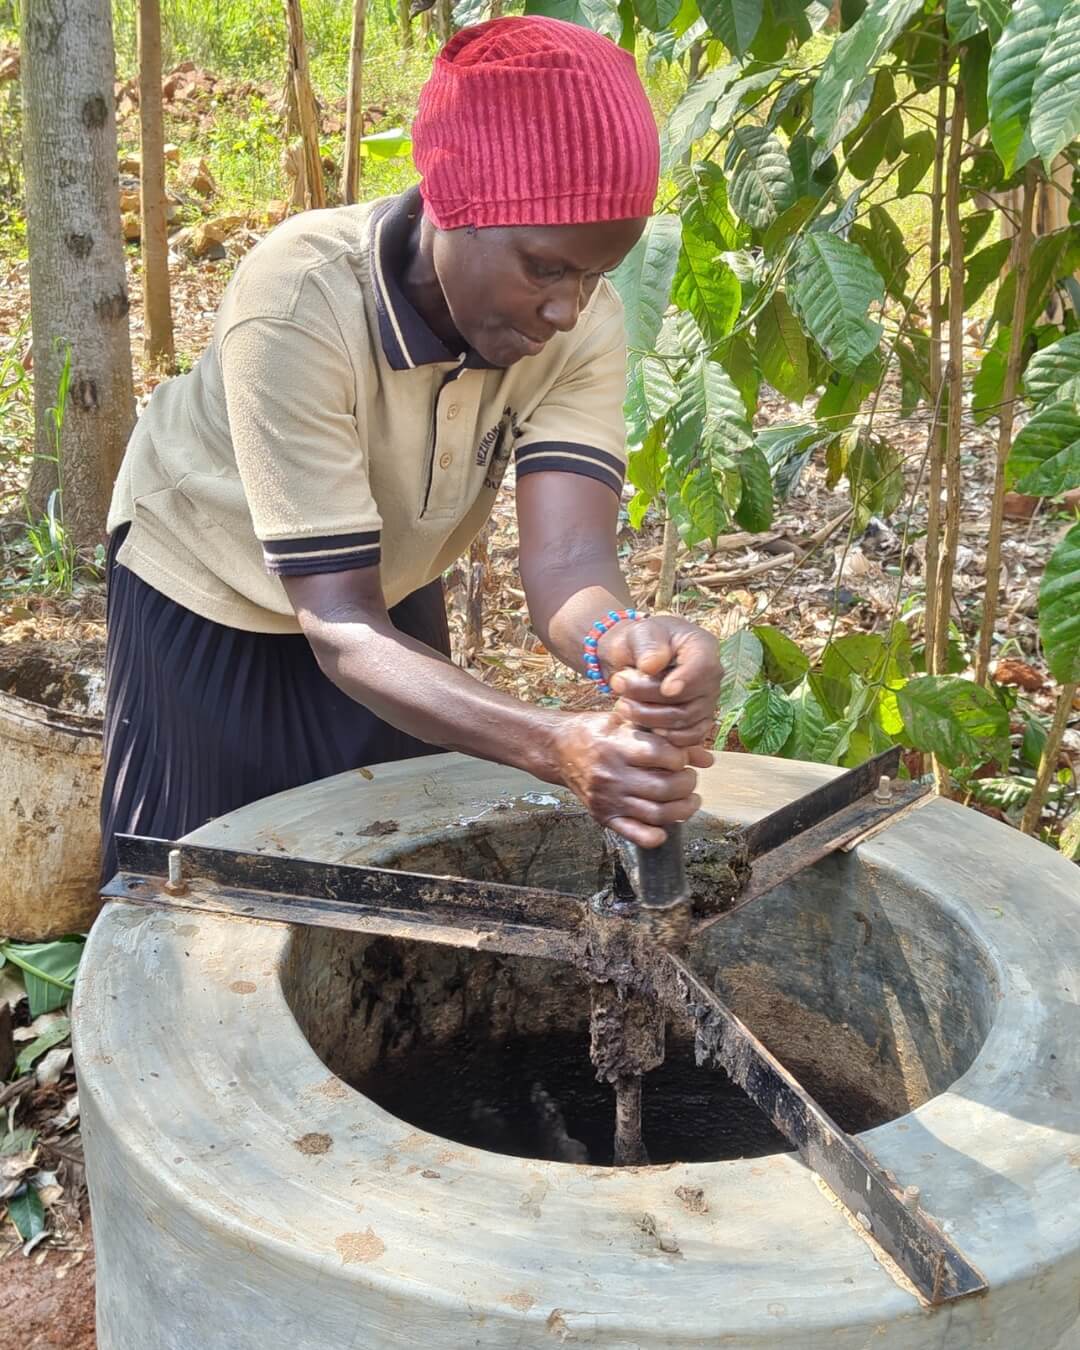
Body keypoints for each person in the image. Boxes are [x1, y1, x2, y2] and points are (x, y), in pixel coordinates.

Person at [99, 15, 723, 883]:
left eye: (594, 274)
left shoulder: (581, 327)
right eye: (544, 268)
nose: (567, 311)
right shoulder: (301, 297)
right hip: (212, 588)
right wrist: (552, 743)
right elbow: (340, 625)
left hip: (381, 584)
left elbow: (570, 556)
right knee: (207, 880)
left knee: (395, 854)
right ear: (451, 209)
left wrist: (625, 642)